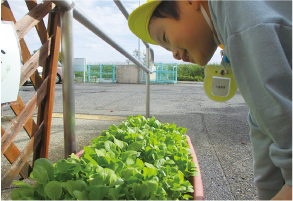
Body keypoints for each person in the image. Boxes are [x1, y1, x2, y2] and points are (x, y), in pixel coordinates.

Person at [128, 0, 293, 200]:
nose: (175, 54)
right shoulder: (236, 22)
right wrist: (268, 192)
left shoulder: (240, 24)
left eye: (165, 37)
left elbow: (279, 115)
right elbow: (264, 120)